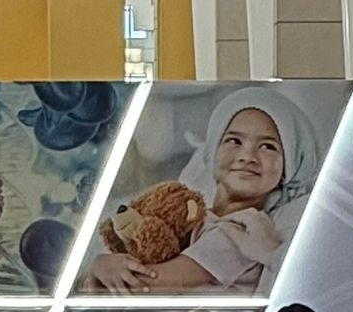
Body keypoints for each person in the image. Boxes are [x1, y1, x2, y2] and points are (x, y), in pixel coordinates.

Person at [86, 89, 322, 294]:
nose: (247, 156)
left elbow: (151, 283)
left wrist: (101, 266)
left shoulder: (242, 231)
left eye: (268, 146)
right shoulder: (195, 218)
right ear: (213, 152)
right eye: (234, 141)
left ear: (289, 167)